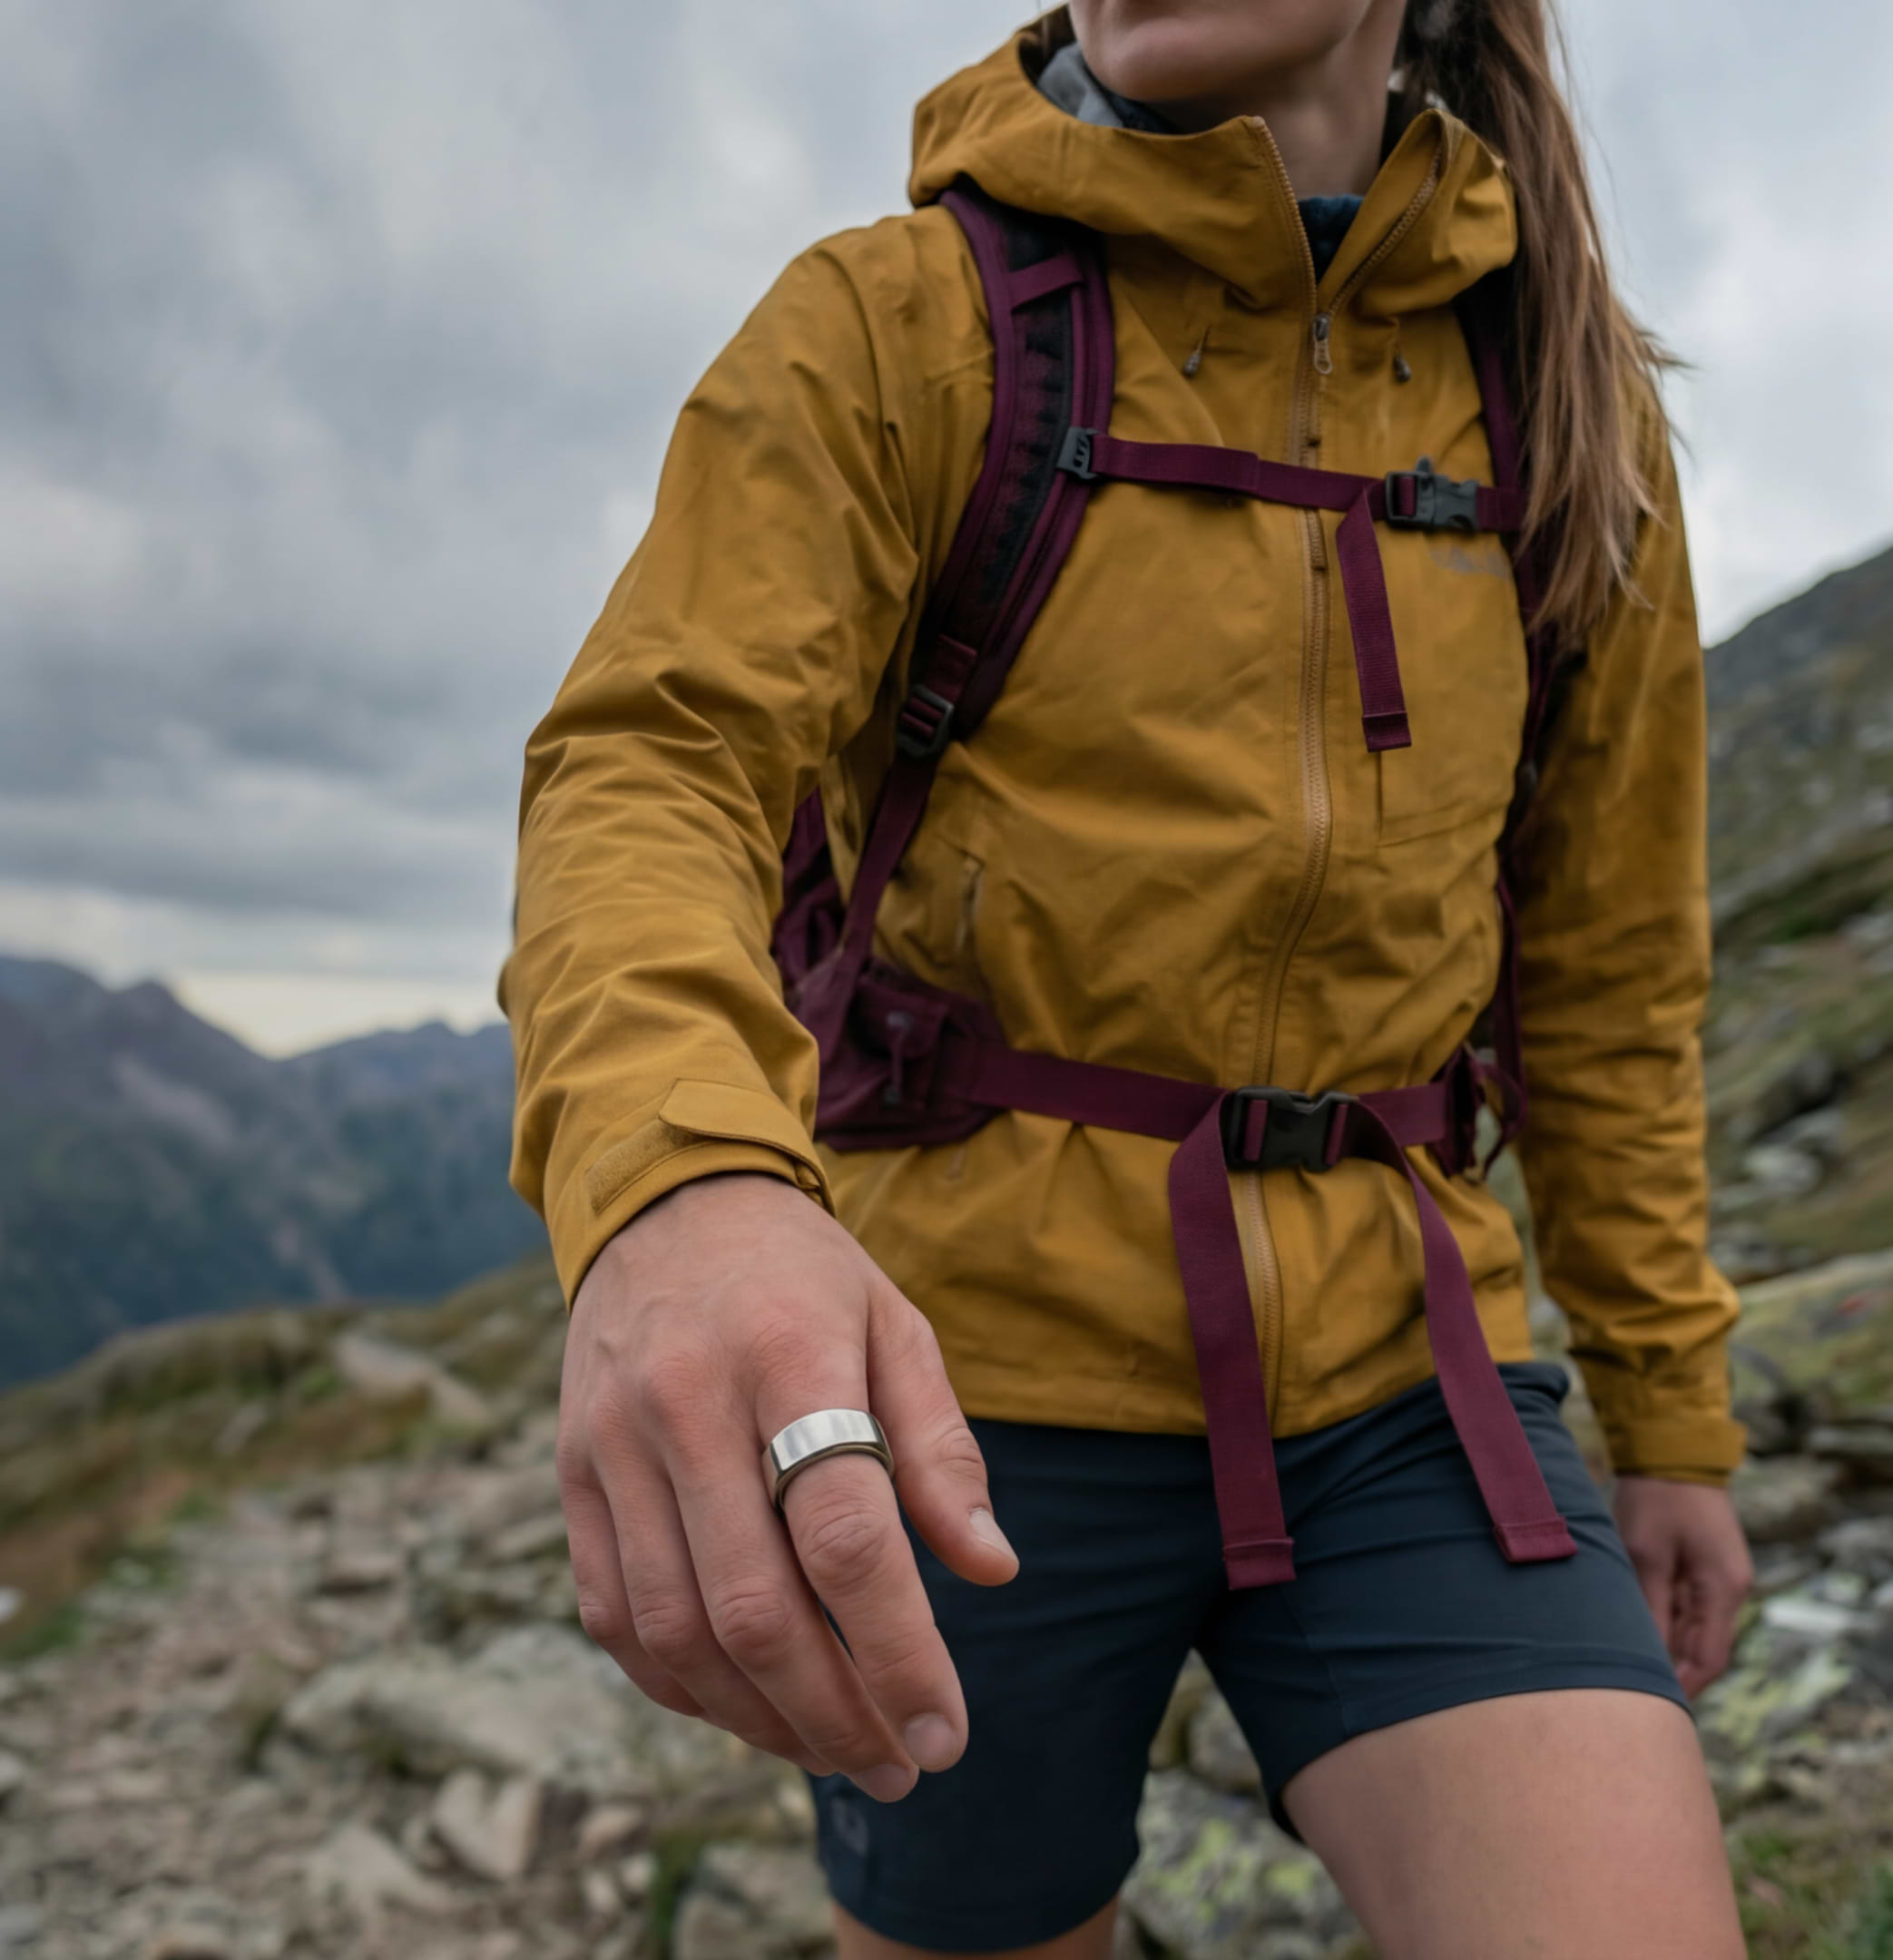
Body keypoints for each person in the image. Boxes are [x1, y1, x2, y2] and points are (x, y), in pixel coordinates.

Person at [505, 2, 1753, 1954]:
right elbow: (651, 767)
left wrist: (1668, 1415)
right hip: (963, 1387)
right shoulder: (891, 322)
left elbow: (1601, 980)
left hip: (1403, 1372)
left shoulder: (1557, 410)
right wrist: (681, 1188)